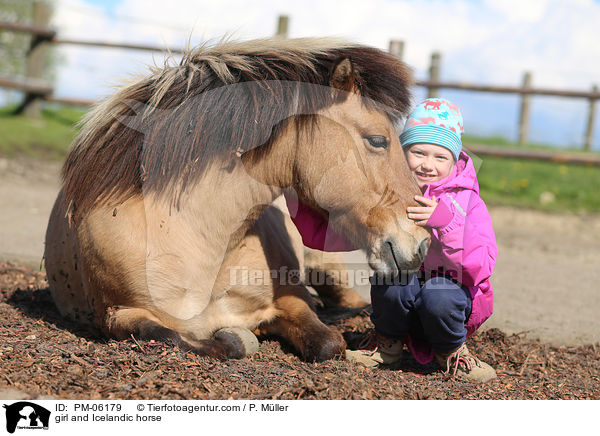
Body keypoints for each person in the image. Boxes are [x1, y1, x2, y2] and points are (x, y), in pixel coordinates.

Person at [286, 98, 498, 383]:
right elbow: (336, 235)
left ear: (455, 160)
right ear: (401, 153)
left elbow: (480, 266)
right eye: (418, 153)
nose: (427, 165)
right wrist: (294, 195)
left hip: (451, 299)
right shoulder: (390, 195)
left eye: (440, 157)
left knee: (439, 294)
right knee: (391, 278)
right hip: (402, 304)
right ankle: (387, 344)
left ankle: (452, 351)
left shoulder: (467, 201)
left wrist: (446, 224)